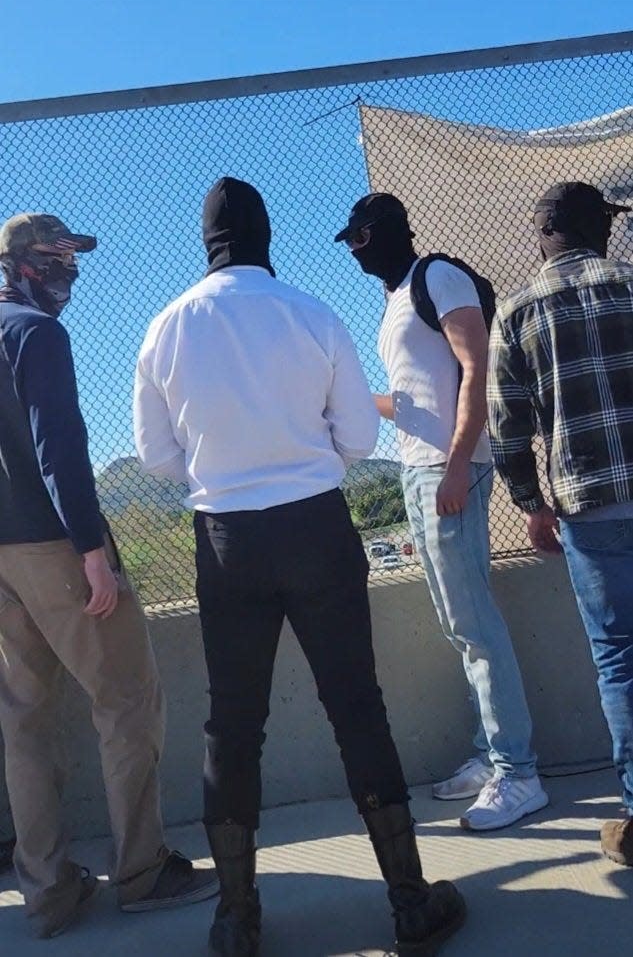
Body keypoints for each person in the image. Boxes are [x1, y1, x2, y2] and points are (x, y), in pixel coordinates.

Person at [134, 177, 466, 957]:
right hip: (317, 527)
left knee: (232, 725)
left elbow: (154, 457)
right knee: (357, 708)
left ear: (204, 240)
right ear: (265, 235)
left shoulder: (165, 327)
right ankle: (410, 902)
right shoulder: (310, 313)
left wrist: (222, 471)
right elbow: (356, 437)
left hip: (225, 539)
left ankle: (236, 918)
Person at [0, 213, 218, 939]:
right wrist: (90, 548)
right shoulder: (36, 333)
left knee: (24, 719)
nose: (73, 269)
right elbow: (57, 445)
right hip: (53, 546)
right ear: (23, 263)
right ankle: (141, 870)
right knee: (124, 698)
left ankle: (47, 890)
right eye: (59, 254)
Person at [336, 192, 547, 831]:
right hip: (416, 469)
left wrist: (458, 464)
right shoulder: (396, 295)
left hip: (449, 470)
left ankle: (519, 773)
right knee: (461, 623)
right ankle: (492, 755)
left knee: (475, 623)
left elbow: (476, 366)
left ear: (388, 230)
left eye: (360, 238)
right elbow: (415, 398)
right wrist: (344, 400)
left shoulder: (438, 276)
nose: (355, 251)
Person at [487, 181, 633, 865]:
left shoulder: (514, 313)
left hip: (589, 509)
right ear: (598, 230)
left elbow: (507, 430)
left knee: (620, 661)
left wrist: (529, 504)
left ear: (543, 232)